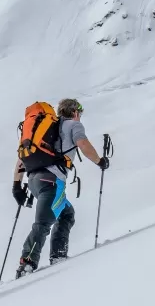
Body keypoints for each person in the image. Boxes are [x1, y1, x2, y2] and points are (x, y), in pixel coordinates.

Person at [12, 98, 108, 278]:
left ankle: (58, 256)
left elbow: (21, 159)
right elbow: (83, 144)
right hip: (52, 181)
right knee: (43, 223)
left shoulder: (47, 130)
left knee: (66, 213)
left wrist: (16, 186)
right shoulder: (73, 125)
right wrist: (100, 161)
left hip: (34, 180)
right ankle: (27, 263)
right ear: (75, 112)